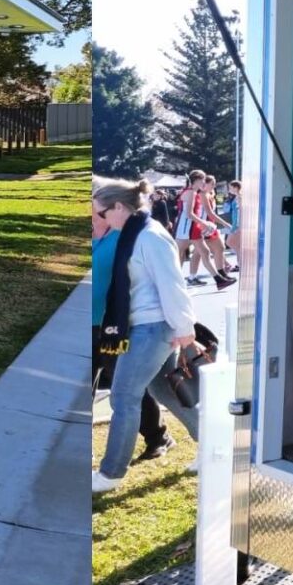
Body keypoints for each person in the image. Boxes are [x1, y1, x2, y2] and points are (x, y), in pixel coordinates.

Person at [93, 179, 201, 493]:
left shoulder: (150, 236)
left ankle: (110, 473)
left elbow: (172, 284)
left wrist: (184, 328)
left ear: (119, 207)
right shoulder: (135, 233)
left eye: (102, 213)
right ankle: (212, 448)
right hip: (146, 326)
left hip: (153, 327)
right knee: (165, 392)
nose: (100, 220)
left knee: (124, 397)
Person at [91, 187, 172, 462]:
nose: (93, 216)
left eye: (97, 212)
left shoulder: (125, 237)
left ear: (114, 209)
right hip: (89, 323)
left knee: (127, 389)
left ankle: (157, 437)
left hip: (116, 325)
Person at [177, 170, 235, 289]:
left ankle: (219, 279)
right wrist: (205, 223)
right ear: (197, 180)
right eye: (203, 180)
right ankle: (174, 281)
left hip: (190, 227)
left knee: (201, 252)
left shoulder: (192, 192)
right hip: (187, 228)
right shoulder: (191, 193)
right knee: (179, 255)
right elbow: (188, 214)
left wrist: (204, 223)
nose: (204, 182)